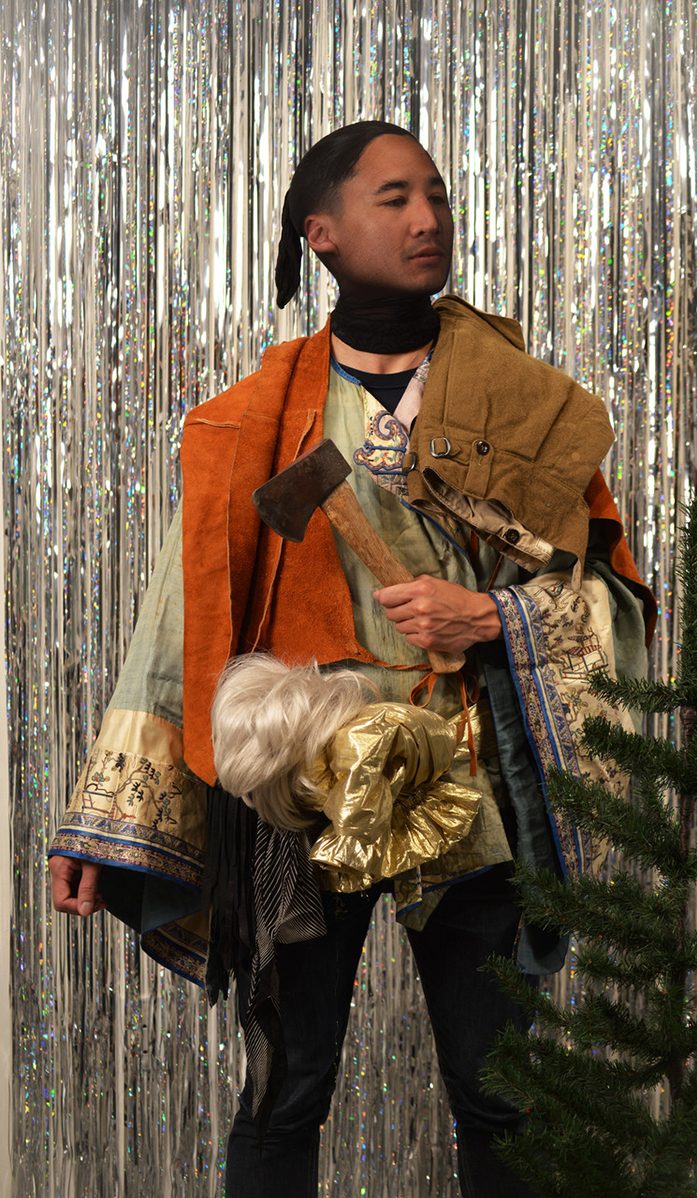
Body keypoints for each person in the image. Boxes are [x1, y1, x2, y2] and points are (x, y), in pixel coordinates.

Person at [49, 121, 655, 1196]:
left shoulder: (529, 409)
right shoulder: (248, 424)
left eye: (434, 194)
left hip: (468, 779)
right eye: (392, 198)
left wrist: (494, 620)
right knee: (285, 1088)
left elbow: (612, 598)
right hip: (304, 782)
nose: (427, 219)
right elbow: (176, 626)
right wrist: (111, 823)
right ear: (318, 233)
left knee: (503, 1089)